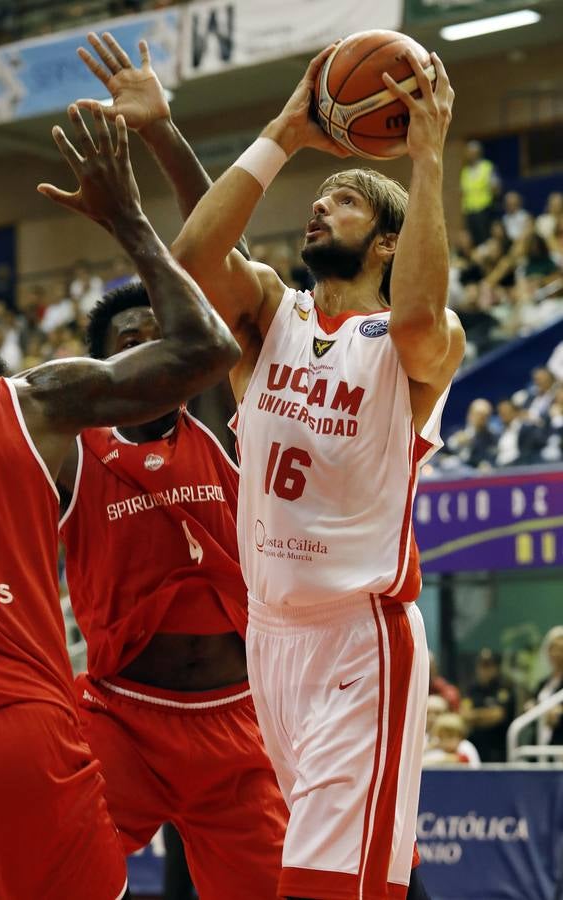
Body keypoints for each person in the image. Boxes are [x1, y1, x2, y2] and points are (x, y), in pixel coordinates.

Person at [168, 40, 464, 900]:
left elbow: (414, 314)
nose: (319, 208)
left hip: (360, 638)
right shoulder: (270, 316)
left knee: (322, 886)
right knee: (356, 878)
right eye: (321, 196)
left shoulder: (420, 345)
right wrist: (287, 133)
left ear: (387, 243)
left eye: (343, 201)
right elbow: (193, 259)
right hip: (271, 640)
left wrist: (427, 154)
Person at [0, 103, 239, 900]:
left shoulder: (182, 426)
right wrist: (127, 217)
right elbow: (204, 346)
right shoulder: (35, 407)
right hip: (41, 723)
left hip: (224, 712)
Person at [54, 31, 287, 900]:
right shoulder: (71, 446)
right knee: (55, 874)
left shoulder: (219, 414)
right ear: (97, 374)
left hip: (237, 721)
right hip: (123, 717)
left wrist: (160, 132)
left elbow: (218, 261)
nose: (153, 354)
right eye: (129, 345)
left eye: (160, 337)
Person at [460, 649, 516, 763]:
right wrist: (486, 715)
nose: (485, 670)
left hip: (498, 748)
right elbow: (464, 716)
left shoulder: (505, 687)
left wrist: (475, 717)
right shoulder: (472, 688)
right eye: (482, 665)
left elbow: (498, 715)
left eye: (489, 665)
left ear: (496, 667)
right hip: (475, 745)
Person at [459, 140, 500, 245]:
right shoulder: (465, 171)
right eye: (468, 153)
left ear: (478, 153)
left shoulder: (487, 167)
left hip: (485, 210)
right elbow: (463, 193)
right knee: (473, 241)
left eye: (472, 152)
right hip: (470, 211)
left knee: (485, 239)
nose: (470, 155)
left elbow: (496, 187)